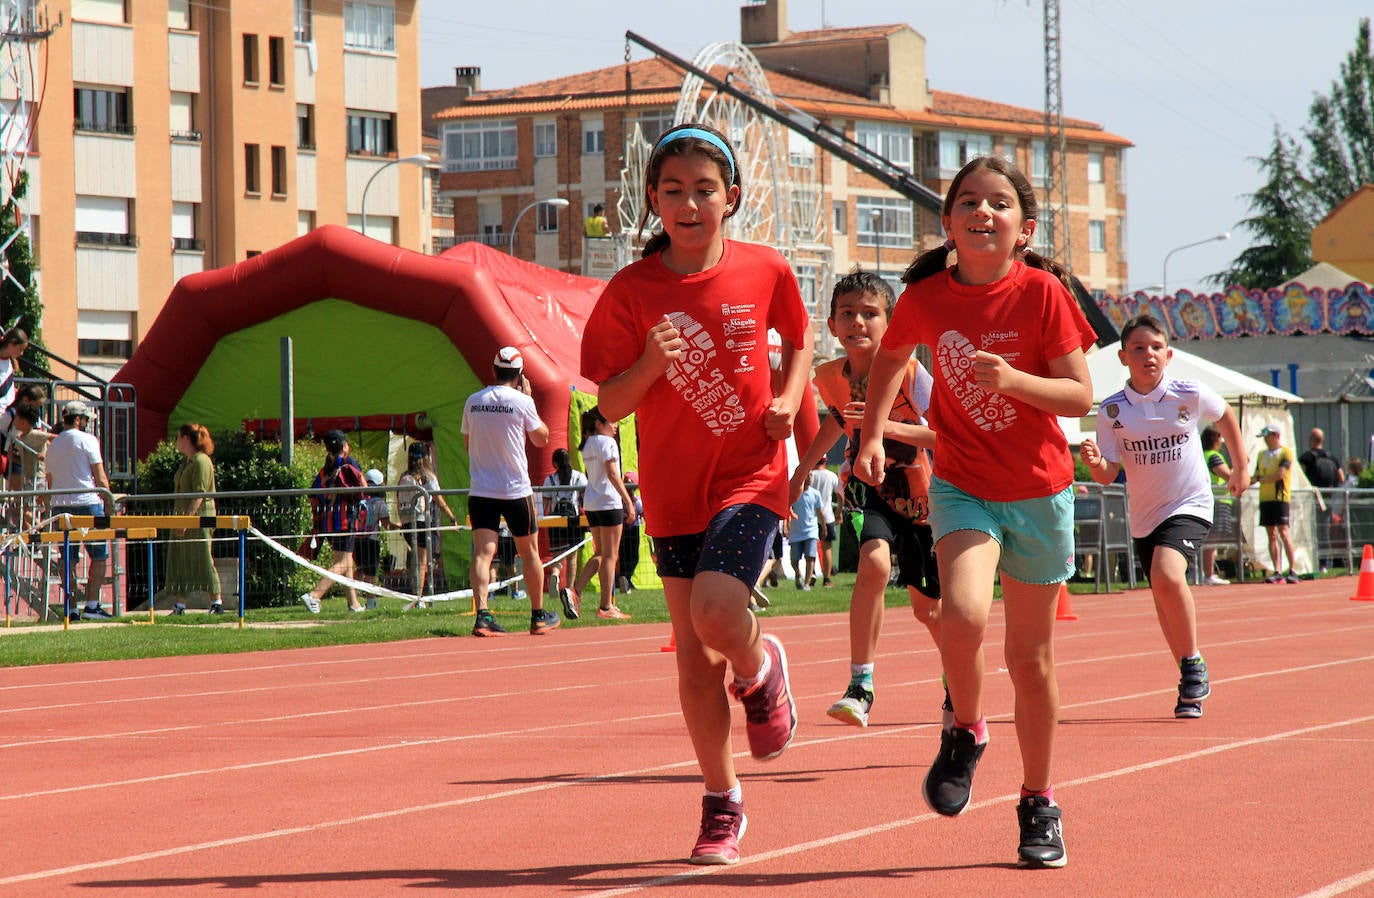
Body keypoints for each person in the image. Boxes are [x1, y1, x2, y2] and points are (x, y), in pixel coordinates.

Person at [580, 122, 813, 866]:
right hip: (675, 491)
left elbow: (802, 343)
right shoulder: (631, 292)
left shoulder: (766, 270)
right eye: (673, 191)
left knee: (718, 612)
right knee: (690, 663)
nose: (688, 203)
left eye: (704, 190)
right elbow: (609, 407)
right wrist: (650, 363)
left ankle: (760, 668)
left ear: (732, 199)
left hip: (750, 476)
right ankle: (722, 799)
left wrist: (789, 399)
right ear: (653, 200)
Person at [853, 155, 1095, 869]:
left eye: (998, 203)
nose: (982, 212)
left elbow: (1080, 397)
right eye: (968, 202)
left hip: (1040, 490)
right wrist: (869, 433)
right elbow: (891, 359)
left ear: (1022, 228)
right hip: (963, 485)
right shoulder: (927, 296)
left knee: (1030, 659)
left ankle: (1039, 799)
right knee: (959, 617)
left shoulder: (1044, 294)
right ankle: (966, 728)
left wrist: (1017, 381)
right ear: (948, 221)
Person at [789, 267, 942, 730]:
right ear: (832, 324)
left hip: (919, 496)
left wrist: (887, 427)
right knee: (873, 564)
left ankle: (957, 677)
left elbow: (943, 435)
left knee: (927, 608)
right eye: (847, 314)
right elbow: (837, 420)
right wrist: (804, 467)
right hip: (864, 484)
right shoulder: (829, 376)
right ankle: (861, 685)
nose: (857, 322)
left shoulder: (913, 374)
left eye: (870, 314)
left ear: (891, 324)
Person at [1079, 315, 1249, 719]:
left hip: (1190, 503)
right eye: (1138, 348)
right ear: (1123, 357)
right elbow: (1108, 475)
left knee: (1167, 575)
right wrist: (1094, 462)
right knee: (1161, 594)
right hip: (1144, 514)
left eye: (1155, 347)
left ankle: (1192, 664)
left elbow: (1225, 416)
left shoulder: (1187, 393)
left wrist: (1241, 467)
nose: (1148, 355)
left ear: (1168, 355)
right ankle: (1189, 683)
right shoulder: (1113, 410)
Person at [462, 346, 559, 636]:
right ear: (519, 375)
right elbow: (542, 439)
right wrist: (529, 400)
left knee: (483, 553)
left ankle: (482, 615)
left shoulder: (473, 401)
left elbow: (468, 445)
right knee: (528, 553)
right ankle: (538, 615)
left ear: (494, 371)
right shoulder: (522, 401)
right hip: (516, 489)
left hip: (481, 490)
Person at [46, 399, 116, 620]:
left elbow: (49, 479)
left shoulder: (53, 444)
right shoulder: (88, 440)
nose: (86, 423)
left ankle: (72, 607)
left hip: (61, 505)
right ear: (78, 420)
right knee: (99, 556)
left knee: (68, 559)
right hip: (87, 501)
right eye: (85, 419)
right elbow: (100, 476)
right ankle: (93, 605)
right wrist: (109, 501)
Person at [567, 406, 636, 620]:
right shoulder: (607, 443)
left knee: (600, 553)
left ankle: (574, 591)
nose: (615, 426)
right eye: (611, 422)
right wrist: (629, 502)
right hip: (608, 502)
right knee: (610, 556)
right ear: (599, 424)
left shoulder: (588, 444)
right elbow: (613, 475)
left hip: (592, 502)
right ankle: (606, 606)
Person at [300, 430, 367, 613]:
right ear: (345, 446)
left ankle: (353, 604)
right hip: (346, 519)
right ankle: (314, 595)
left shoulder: (325, 470)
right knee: (344, 563)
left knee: (345, 563)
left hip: (329, 521)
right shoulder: (349, 463)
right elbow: (363, 487)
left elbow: (314, 494)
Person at [164, 423, 224, 614]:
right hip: (181, 516)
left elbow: (200, 493)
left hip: (199, 517)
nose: (176, 442)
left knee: (203, 557)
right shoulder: (187, 462)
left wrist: (187, 520)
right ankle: (180, 604)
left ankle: (216, 602)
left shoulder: (201, 461)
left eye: (178, 438)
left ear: (186, 439)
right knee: (181, 558)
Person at [396, 441, 458, 607]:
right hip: (423, 522)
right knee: (422, 562)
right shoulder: (428, 477)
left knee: (415, 560)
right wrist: (452, 517)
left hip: (408, 524)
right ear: (426, 458)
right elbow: (439, 499)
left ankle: (416, 594)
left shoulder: (404, 477)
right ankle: (418, 597)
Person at [541, 447, 587, 616]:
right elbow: (584, 497)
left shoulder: (550, 480)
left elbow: (545, 503)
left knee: (558, 555)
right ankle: (570, 587)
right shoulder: (578, 477)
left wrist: (542, 520)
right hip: (574, 520)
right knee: (572, 556)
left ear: (554, 463)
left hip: (555, 520)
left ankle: (555, 573)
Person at [1253, 424, 1299, 583]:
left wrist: (1260, 479)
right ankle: (1277, 570)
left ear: (1275, 435)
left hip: (1280, 497)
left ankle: (1292, 569)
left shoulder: (1286, 452)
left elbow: (1279, 475)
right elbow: (1256, 475)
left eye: (1268, 436)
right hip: (1265, 498)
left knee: (1284, 533)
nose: (1266, 440)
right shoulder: (1260, 454)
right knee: (1271, 535)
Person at [1299, 427, 1344, 571]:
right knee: (1324, 530)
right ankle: (1324, 563)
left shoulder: (1307, 457)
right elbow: (1341, 478)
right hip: (1327, 498)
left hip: (1312, 498)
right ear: (1322, 440)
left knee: (1309, 529)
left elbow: (1300, 477)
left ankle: (1312, 561)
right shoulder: (1332, 457)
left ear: (1311, 440)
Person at [1200, 426, 1235, 586]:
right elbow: (1227, 476)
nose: (1222, 441)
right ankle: (1208, 573)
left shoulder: (1201, 455)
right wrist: (1239, 468)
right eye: (1220, 437)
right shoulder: (1214, 456)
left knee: (1208, 538)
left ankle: (1205, 572)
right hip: (1217, 500)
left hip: (1210, 500)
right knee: (1212, 538)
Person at [356, 467, 394, 601]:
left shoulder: (359, 501)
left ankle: (353, 598)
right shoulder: (380, 503)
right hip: (372, 540)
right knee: (371, 572)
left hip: (357, 539)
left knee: (359, 570)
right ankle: (370, 600)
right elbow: (386, 524)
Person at [786, 470, 823, 589]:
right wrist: (785, 525)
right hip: (796, 531)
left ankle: (806, 584)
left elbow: (819, 512)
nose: (810, 478)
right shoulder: (794, 492)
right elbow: (788, 508)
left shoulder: (815, 494)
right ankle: (798, 574)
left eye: (811, 475)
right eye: (807, 475)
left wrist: (824, 526)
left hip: (811, 530)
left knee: (810, 557)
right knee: (794, 559)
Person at [809, 458, 839, 587]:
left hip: (810, 517)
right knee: (827, 548)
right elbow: (840, 495)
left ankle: (811, 574)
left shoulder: (809, 474)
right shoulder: (831, 476)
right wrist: (839, 512)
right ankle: (827, 579)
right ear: (825, 461)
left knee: (810, 548)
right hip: (827, 516)